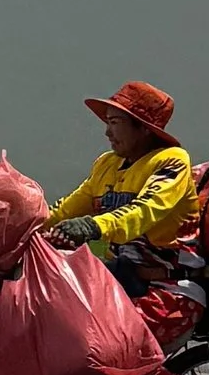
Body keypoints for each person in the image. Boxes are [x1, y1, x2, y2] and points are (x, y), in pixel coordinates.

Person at [45, 80, 199, 296]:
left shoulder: (172, 161)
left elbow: (144, 211)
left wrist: (92, 226)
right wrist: (25, 225)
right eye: (107, 122)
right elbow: (65, 210)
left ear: (144, 128)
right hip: (117, 284)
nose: (107, 132)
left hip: (168, 290)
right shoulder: (107, 164)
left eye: (115, 122)